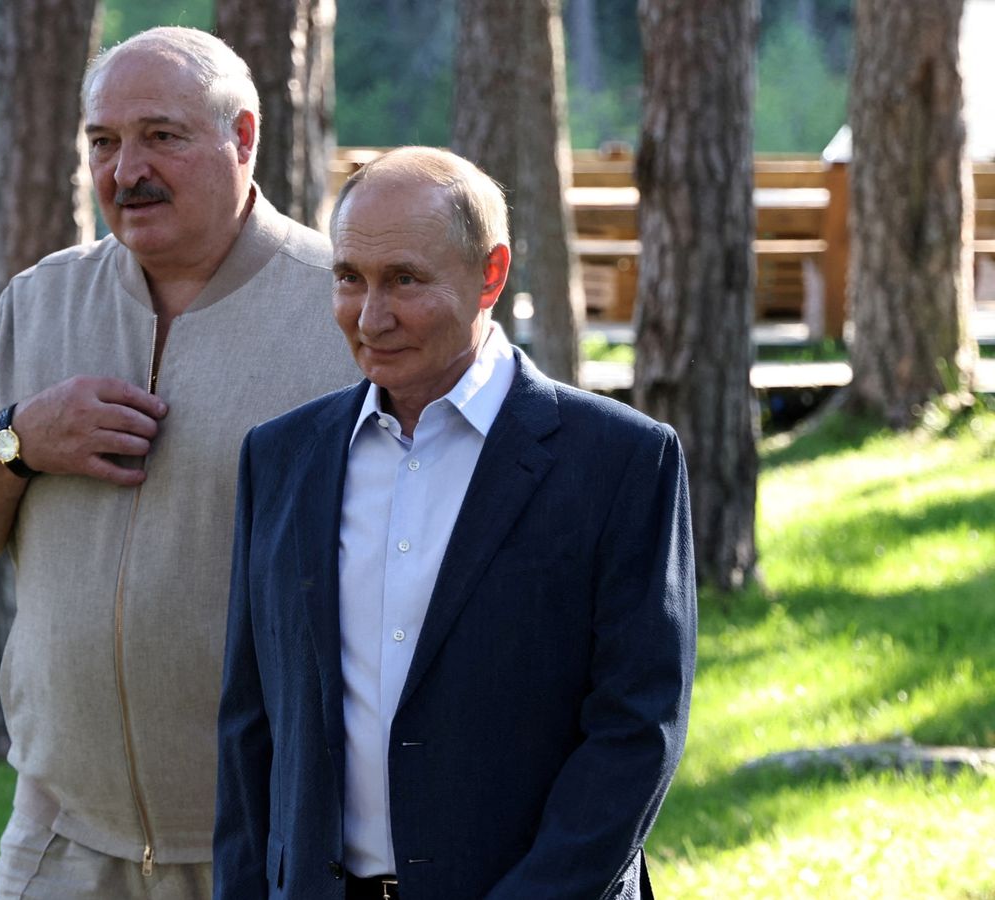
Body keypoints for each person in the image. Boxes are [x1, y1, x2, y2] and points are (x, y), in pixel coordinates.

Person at [0, 26, 359, 899]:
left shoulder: (343, 308)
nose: (125, 170)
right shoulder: (41, 302)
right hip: (59, 842)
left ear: (244, 137)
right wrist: (21, 440)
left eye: (161, 136)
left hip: (273, 843)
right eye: (102, 142)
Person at [214, 147, 697, 900]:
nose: (371, 317)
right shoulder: (279, 459)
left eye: (404, 280)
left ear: (491, 273)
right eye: (349, 279)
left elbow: (637, 733)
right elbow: (251, 731)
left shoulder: (621, 462)